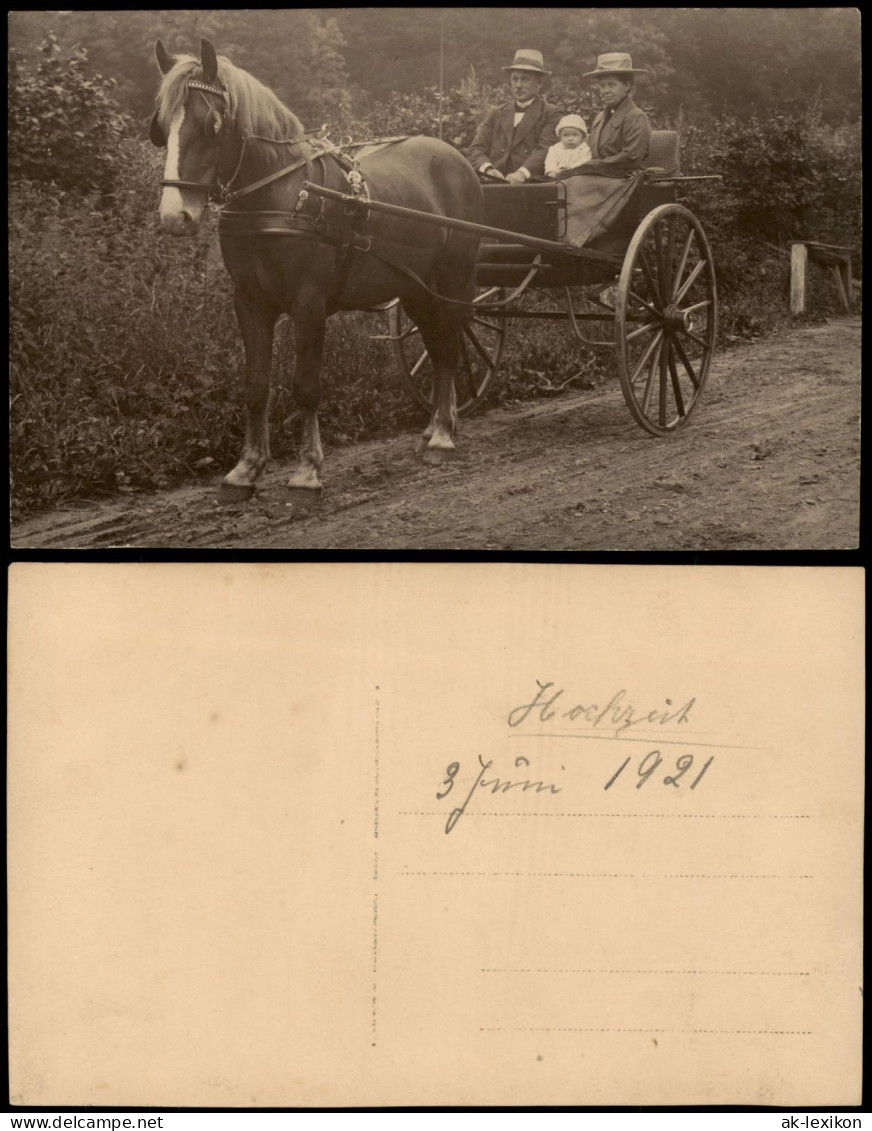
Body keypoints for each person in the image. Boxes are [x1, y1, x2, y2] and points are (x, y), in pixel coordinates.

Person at [467, 49, 563, 183]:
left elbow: (545, 149)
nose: (518, 85)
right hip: (495, 183)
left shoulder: (551, 113)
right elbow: (476, 149)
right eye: (515, 79)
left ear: (539, 83)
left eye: (525, 79)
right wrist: (488, 169)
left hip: (532, 185)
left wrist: (522, 173)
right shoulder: (498, 112)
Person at [583, 52, 652, 175]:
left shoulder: (636, 117)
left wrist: (592, 166)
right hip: (597, 178)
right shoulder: (600, 118)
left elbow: (631, 158)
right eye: (602, 86)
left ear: (627, 85)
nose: (605, 91)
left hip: (624, 181)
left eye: (611, 85)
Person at [544, 114, 593, 178]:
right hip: (558, 176)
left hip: (577, 175)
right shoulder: (555, 149)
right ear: (560, 137)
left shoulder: (584, 148)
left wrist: (570, 168)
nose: (570, 139)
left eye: (575, 135)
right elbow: (550, 161)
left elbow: (585, 161)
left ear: (582, 137)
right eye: (566, 135)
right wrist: (552, 171)